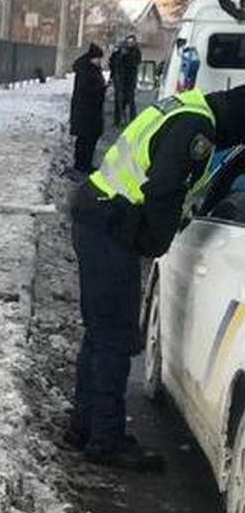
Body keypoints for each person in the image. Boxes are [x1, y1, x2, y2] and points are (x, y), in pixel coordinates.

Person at [67, 46, 245, 472]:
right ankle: (105, 441)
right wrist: (155, 243)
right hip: (112, 224)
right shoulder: (198, 129)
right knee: (115, 334)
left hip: (98, 213)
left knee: (101, 330)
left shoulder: (187, 106)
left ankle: (86, 425)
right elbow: (164, 191)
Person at [69, 43, 107, 173]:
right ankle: (82, 165)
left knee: (88, 138)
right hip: (86, 110)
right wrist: (102, 89)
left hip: (89, 110)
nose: (100, 61)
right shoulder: (86, 70)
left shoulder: (91, 68)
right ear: (93, 57)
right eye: (99, 58)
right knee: (85, 138)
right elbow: (86, 89)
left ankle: (85, 163)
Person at [115, 35, 143, 124]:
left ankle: (132, 119)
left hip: (130, 80)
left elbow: (135, 62)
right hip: (120, 79)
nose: (130, 44)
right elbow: (114, 63)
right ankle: (119, 120)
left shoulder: (136, 52)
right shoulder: (121, 51)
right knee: (120, 101)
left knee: (130, 101)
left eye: (132, 42)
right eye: (128, 42)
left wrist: (127, 55)